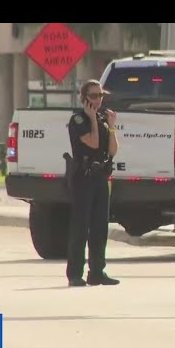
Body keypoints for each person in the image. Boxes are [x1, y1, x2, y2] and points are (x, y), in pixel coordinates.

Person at [66, 80, 120, 287]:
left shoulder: (102, 120)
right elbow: (94, 143)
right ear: (84, 98)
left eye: (100, 96)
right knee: (81, 227)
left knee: (100, 227)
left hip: (100, 178)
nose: (98, 100)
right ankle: (75, 274)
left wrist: (112, 127)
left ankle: (97, 271)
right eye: (94, 96)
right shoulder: (79, 120)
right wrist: (92, 120)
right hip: (83, 177)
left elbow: (112, 150)